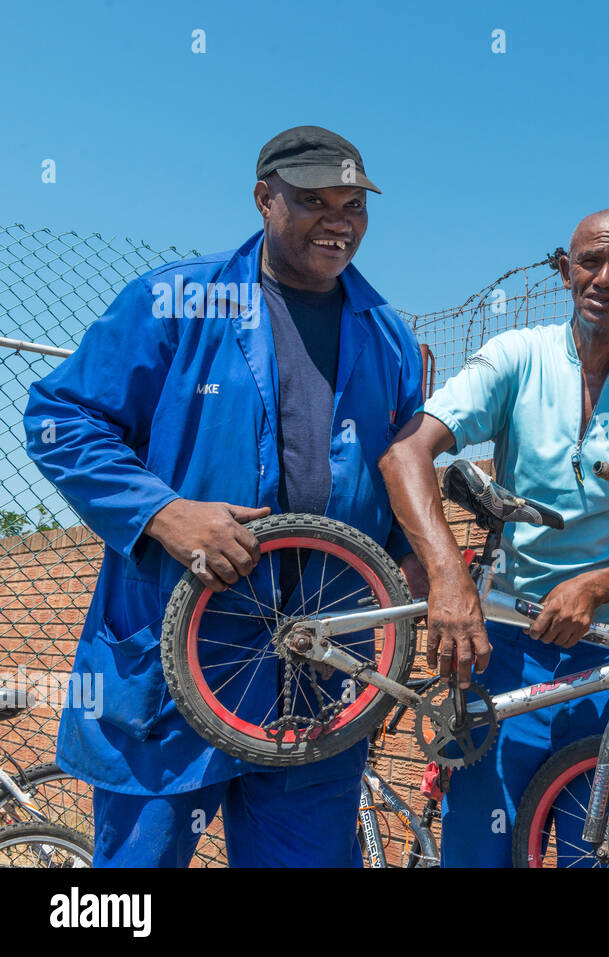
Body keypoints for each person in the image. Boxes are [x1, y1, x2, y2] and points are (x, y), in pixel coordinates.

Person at [25, 126, 427, 867]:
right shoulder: (176, 302)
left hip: (320, 678)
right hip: (179, 665)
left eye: (353, 205)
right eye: (313, 201)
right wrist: (163, 512)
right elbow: (58, 420)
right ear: (264, 198)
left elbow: (401, 493)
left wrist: (424, 595)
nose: (338, 221)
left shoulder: (389, 338)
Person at [379, 208, 609, 866]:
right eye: (591, 260)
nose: (605, 277)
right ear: (565, 269)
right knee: (481, 850)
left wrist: (593, 586)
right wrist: (448, 576)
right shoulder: (516, 359)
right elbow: (407, 453)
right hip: (507, 649)